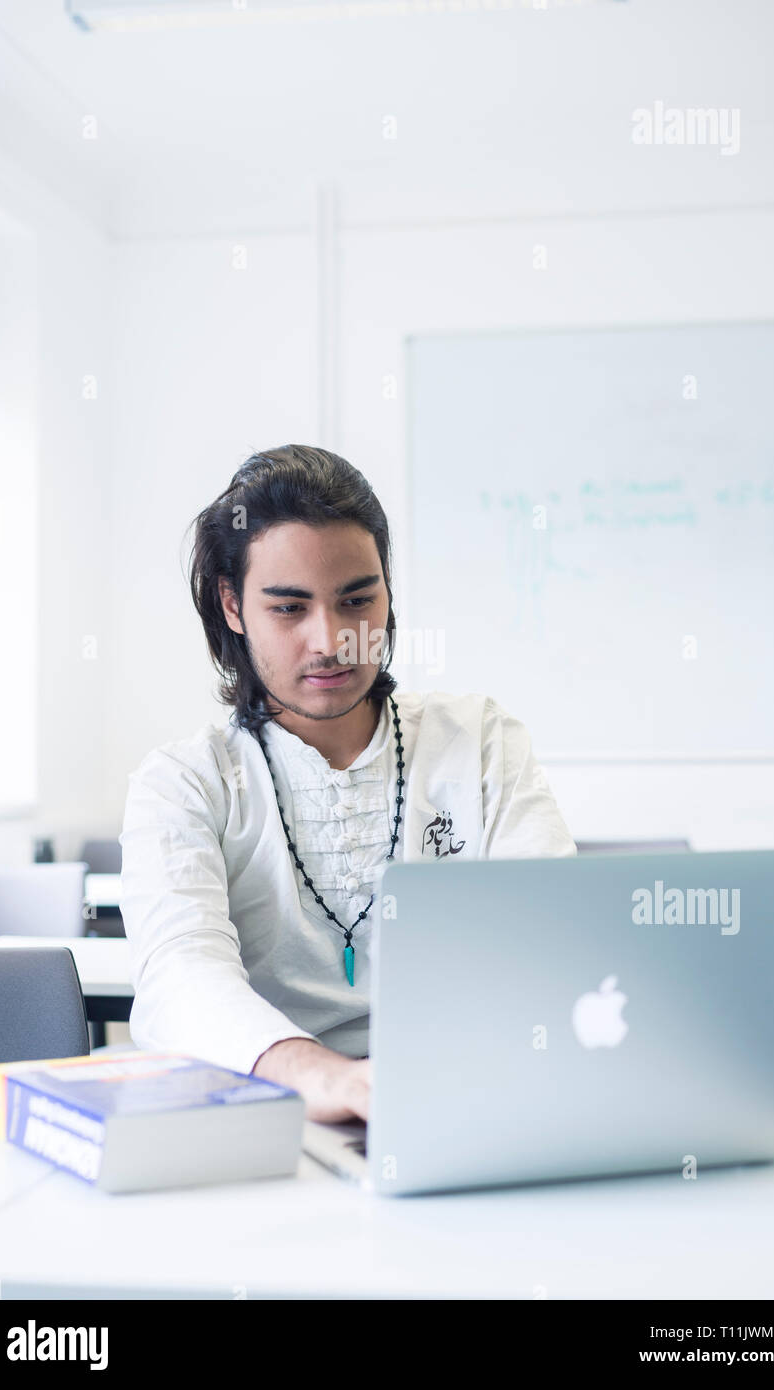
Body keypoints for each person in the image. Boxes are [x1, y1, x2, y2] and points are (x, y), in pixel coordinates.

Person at [119, 444, 576, 1124]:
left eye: (356, 599)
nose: (330, 640)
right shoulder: (186, 782)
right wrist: (328, 1080)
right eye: (288, 608)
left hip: (466, 1103)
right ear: (232, 606)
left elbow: (552, 936)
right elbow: (180, 977)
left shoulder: (476, 740)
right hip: (271, 1115)